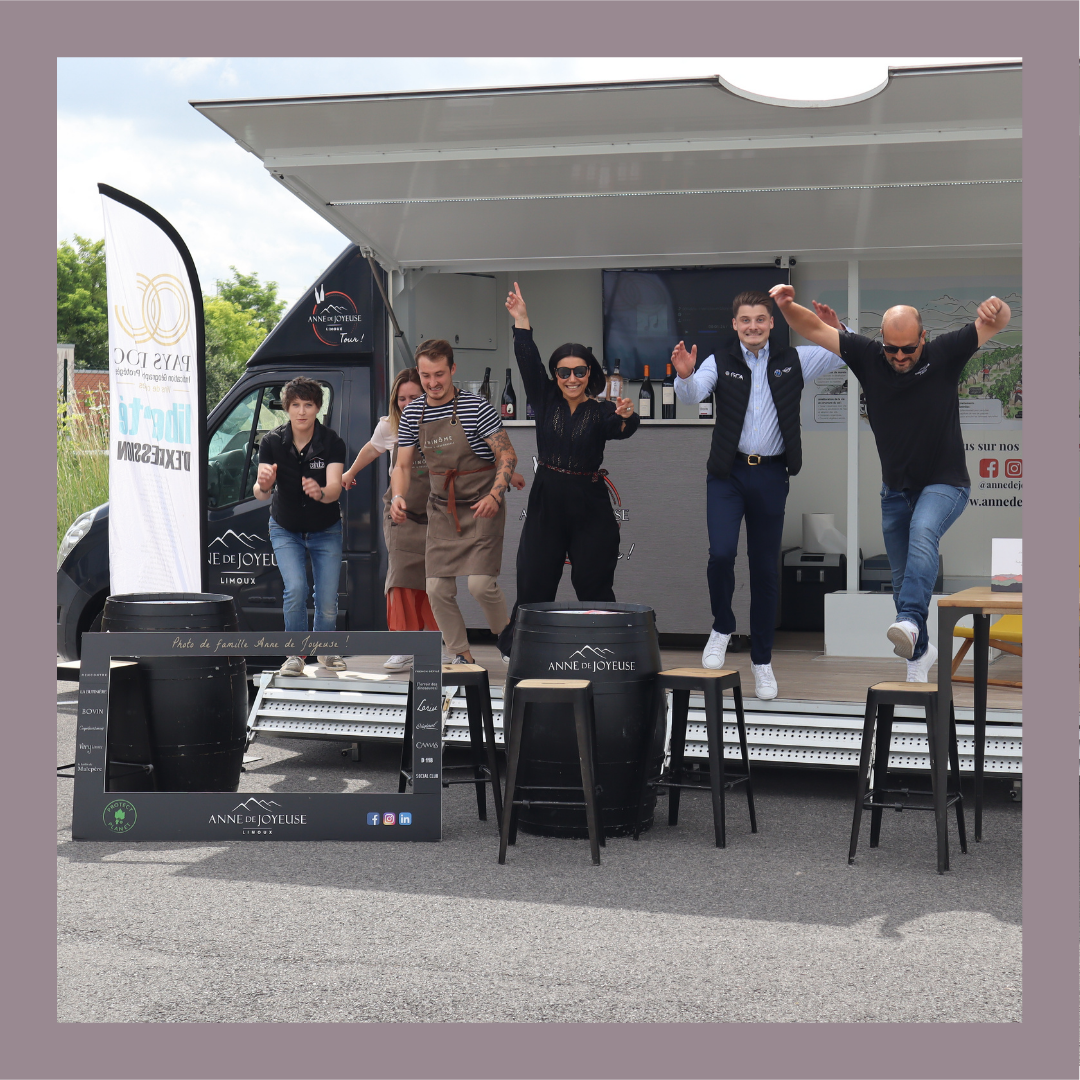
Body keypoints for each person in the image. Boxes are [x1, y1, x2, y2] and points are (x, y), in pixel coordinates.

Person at [769, 283, 1012, 681]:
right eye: (891, 348)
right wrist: (784, 305)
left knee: (923, 532)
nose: (899, 357)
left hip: (946, 483)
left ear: (923, 338)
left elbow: (997, 323)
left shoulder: (945, 353)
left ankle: (911, 621)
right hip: (895, 490)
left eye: (908, 349)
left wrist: (997, 308)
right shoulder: (867, 356)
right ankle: (919, 655)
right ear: (881, 340)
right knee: (901, 580)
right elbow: (812, 328)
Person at [670, 290, 848, 700]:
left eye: (760, 320)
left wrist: (833, 328)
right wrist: (684, 375)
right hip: (727, 475)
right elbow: (693, 394)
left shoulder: (794, 359)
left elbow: (841, 352)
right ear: (735, 324)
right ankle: (722, 626)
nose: (753, 326)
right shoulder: (719, 361)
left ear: (772, 323)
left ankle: (762, 661)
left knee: (765, 570)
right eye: (746, 320)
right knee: (721, 554)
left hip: (770, 475)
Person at [498, 282, 638, 657]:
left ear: (589, 373)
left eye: (579, 371)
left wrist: (627, 416)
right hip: (547, 499)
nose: (572, 378)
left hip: (590, 503)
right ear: (555, 374)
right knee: (534, 579)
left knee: (594, 582)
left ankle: (606, 650)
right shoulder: (544, 398)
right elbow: (527, 359)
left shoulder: (602, 410)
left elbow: (621, 428)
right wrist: (522, 321)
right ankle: (521, 649)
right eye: (563, 372)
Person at [391, 339, 519, 665]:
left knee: (481, 585)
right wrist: (398, 496)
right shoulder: (413, 413)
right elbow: (402, 466)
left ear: (452, 370)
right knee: (436, 589)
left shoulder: (477, 407)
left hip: (482, 505)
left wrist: (495, 494)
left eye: (439, 374)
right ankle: (461, 655)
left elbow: (507, 454)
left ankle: (508, 640)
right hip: (442, 510)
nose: (433, 382)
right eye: (425, 376)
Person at [341, 367, 438, 672]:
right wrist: (350, 472)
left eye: (414, 398)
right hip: (399, 510)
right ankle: (403, 646)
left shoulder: (442, 423)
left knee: (435, 579)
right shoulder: (389, 425)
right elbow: (372, 449)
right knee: (400, 577)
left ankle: (436, 641)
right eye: (402, 399)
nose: (407, 404)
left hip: (436, 511)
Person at [253, 375, 346, 676]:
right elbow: (260, 492)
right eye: (295, 405)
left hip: (326, 528)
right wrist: (264, 484)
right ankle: (295, 654)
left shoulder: (332, 442)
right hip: (285, 527)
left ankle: (326, 649)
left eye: (308, 405)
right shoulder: (271, 442)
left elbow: (335, 488)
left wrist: (320, 493)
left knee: (327, 598)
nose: (302, 411)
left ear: (318, 407)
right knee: (295, 588)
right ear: (287, 408)